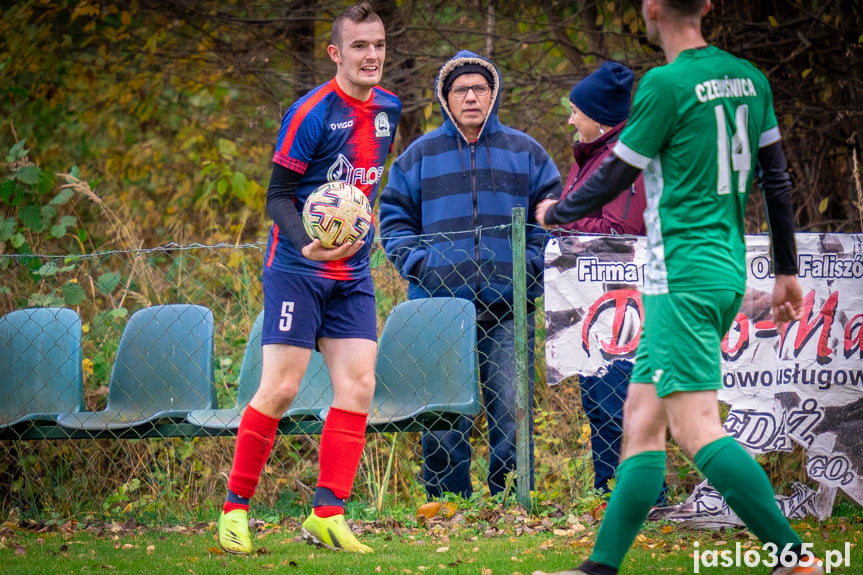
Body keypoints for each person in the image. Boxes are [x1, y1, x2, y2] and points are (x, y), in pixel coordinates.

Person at [534, 1, 821, 574]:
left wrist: (555, 212)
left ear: (652, 9)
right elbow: (777, 178)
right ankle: (598, 569)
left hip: (680, 279)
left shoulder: (665, 84)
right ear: (708, 5)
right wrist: (786, 270)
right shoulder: (750, 79)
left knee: (695, 429)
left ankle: (795, 558)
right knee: (641, 424)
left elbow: (617, 172)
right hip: (720, 272)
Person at [217, 3, 400, 556]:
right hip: (298, 270)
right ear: (336, 53)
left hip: (354, 273)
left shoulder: (390, 108)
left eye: (379, 45)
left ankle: (327, 514)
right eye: (360, 47)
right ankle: (234, 512)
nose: (372, 56)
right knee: (280, 389)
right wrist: (306, 242)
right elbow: (276, 196)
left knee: (360, 387)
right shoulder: (311, 113)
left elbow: (362, 190)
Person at [379, 50, 562, 500]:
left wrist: (530, 265)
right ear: (446, 98)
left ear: (493, 94)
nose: (471, 96)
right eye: (460, 89)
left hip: (508, 307)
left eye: (480, 88)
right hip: (439, 309)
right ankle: (446, 504)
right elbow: (393, 218)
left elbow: (554, 218)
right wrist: (421, 265)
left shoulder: (526, 152)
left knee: (511, 414)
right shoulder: (420, 155)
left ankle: (508, 501)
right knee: (442, 418)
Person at [552, 60, 651, 499]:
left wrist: (562, 226)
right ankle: (609, 490)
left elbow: (621, 232)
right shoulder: (591, 156)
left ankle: (638, 494)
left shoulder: (622, 160)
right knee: (598, 402)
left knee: (617, 403)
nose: (571, 119)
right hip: (589, 304)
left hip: (622, 306)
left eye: (576, 111)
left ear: (598, 117)